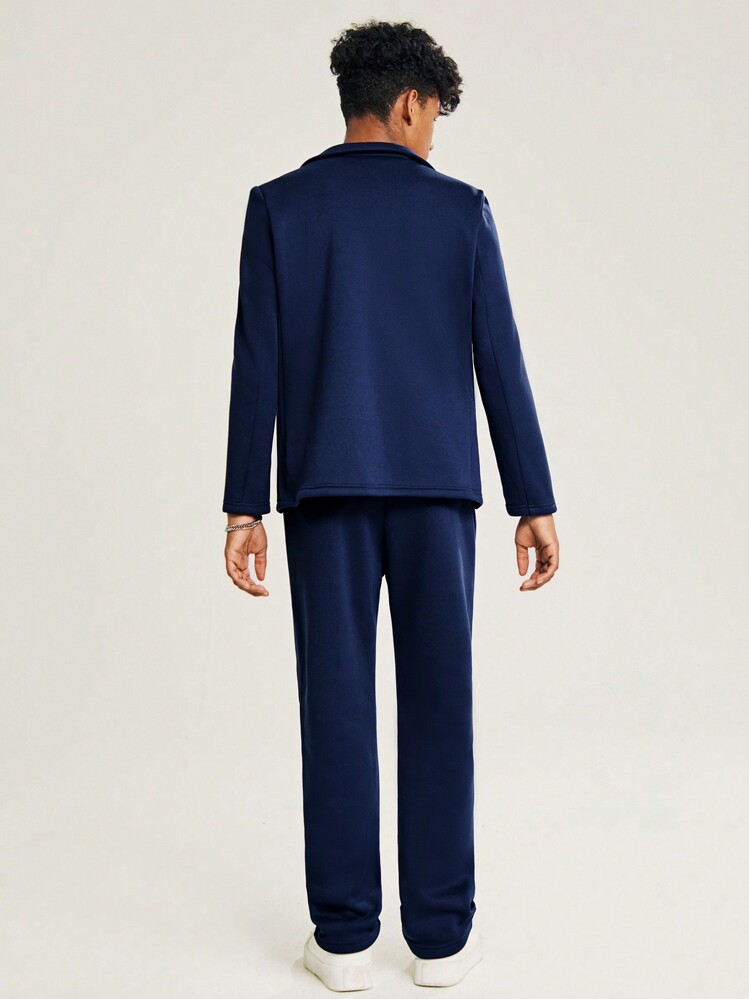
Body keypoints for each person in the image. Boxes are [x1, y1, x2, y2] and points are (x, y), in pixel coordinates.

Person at [222, 18, 559, 992]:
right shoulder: (459, 211)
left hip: (321, 489)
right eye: (434, 115)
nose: (432, 135)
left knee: (334, 703)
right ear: (409, 103)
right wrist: (531, 499)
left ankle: (342, 940)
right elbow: (499, 358)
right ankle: (441, 939)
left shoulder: (279, 208)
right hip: (436, 493)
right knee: (440, 704)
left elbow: (255, 362)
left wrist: (243, 506)